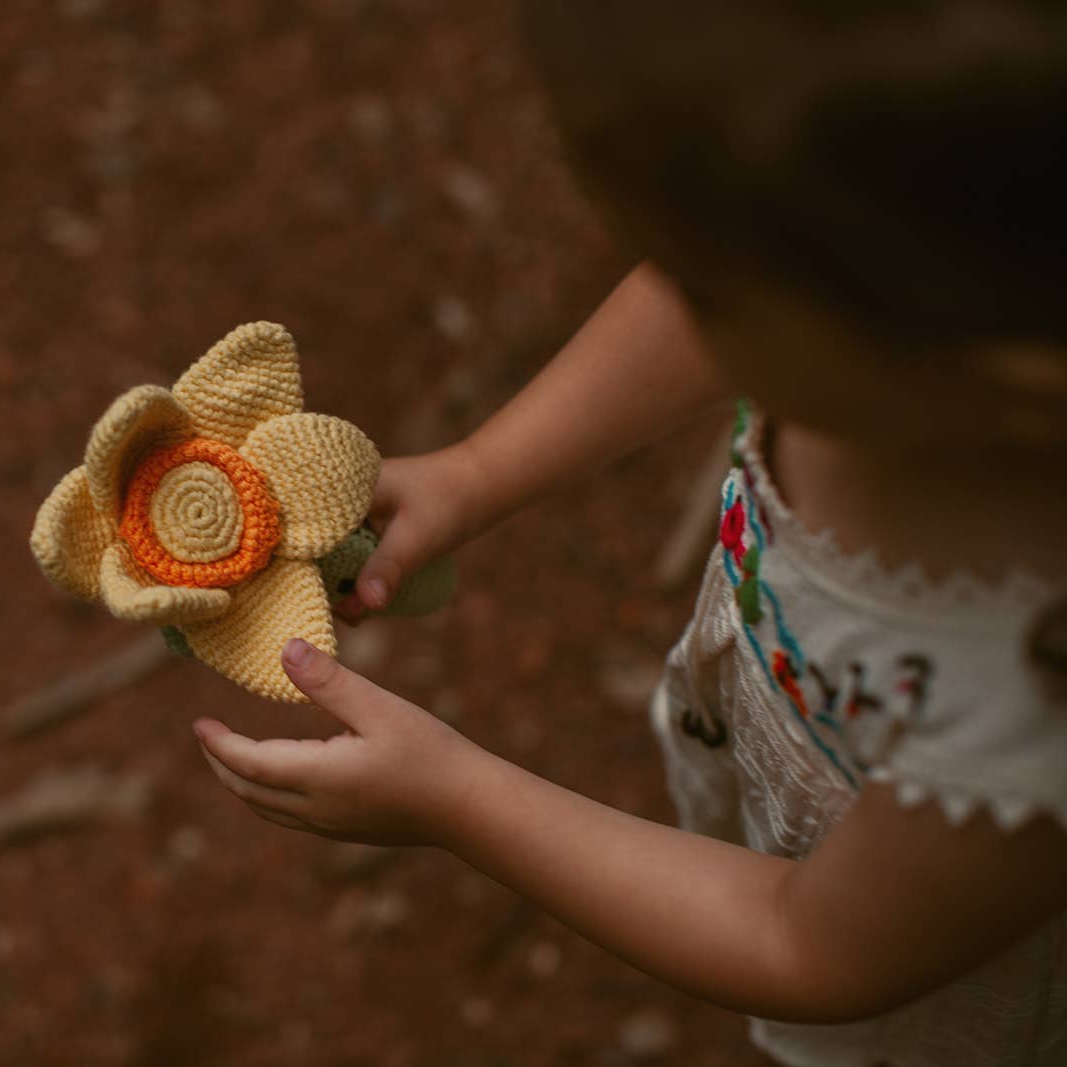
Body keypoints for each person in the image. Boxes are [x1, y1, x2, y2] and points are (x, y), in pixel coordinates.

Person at [191, 2, 1067, 1063]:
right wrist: (477, 472)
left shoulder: (1025, 709)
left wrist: (456, 798)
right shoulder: (899, 296)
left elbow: (810, 942)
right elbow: (701, 301)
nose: (672, 289)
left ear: (937, 340)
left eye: (704, 282)